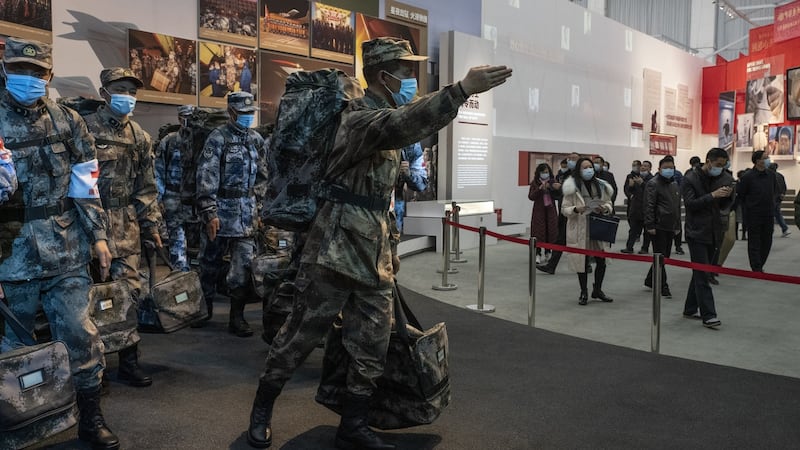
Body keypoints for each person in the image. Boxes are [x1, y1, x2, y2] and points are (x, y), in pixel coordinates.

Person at [246, 37, 512, 449]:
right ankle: (262, 408)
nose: (410, 78)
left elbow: (387, 174)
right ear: (382, 74)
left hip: (373, 249)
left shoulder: (382, 114)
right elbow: (402, 124)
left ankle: (353, 423)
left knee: (372, 341)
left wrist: (389, 248)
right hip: (334, 246)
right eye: (405, 72)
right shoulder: (358, 118)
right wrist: (459, 91)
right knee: (301, 334)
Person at [0, 37, 119, 448]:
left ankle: (90, 418)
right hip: (9, 257)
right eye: (20, 70)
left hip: (66, 249)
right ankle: (16, 426)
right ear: (4, 69)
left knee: (80, 335)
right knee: (12, 347)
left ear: (49, 76)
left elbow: (85, 185)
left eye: (37, 73)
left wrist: (100, 237)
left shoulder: (68, 121)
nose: (28, 78)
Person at [83, 67, 162, 388]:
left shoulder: (140, 137)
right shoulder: (85, 130)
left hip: (127, 226)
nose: (127, 96)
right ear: (104, 93)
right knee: (92, 299)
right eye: (120, 89)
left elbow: (146, 187)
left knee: (129, 293)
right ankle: (93, 368)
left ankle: (129, 361)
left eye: (132, 91)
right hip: (90, 226)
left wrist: (151, 226)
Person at [196, 91, 268, 336]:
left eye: (250, 113)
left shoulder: (256, 140)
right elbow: (207, 175)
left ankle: (236, 317)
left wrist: (259, 207)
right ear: (231, 113)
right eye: (244, 113)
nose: (248, 118)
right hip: (221, 212)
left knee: (243, 267)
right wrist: (209, 211)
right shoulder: (218, 138)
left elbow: (263, 176)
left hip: (247, 215)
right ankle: (203, 309)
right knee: (209, 262)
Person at [681, 147, 734, 329]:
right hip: (696, 232)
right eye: (718, 165)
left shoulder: (723, 178)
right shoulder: (689, 179)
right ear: (708, 161)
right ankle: (709, 315)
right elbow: (691, 204)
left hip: (715, 231)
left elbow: (724, 205)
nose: (721, 168)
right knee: (703, 274)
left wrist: (728, 195)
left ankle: (689, 308)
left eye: (723, 165)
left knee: (700, 271)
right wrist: (712, 195)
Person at [560, 157, 614, 305]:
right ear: (578, 170)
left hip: (598, 226)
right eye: (584, 167)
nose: (588, 170)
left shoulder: (602, 185)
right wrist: (576, 209)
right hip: (581, 229)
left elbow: (609, 203)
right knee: (582, 262)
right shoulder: (571, 187)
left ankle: (597, 290)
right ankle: (583, 292)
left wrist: (605, 208)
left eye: (590, 167)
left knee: (601, 261)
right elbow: (564, 209)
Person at [155, 105, 196, 271]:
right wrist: (159, 198)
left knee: (199, 242)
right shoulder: (170, 141)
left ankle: (198, 278)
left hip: (195, 199)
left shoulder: (203, 140)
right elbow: (158, 170)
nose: (189, 121)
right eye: (186, 117)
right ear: (179, 118)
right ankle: (181, 276)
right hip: (173, 198)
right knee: (177, 239)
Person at [643, 157, 681, 297]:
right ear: (659, 169)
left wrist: (677, 225)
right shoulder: (653, 183)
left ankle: (650, 280)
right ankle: (663, 285)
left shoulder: (674, 184)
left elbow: (676, 206)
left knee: (664, 256)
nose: (669, 170)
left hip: (670, 225)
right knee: (660, 256)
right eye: (666, 167)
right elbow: (649, 205)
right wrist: (650, 224)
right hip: (658, 226)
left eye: (671, 167)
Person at [536, 152, 580, 274]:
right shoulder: (563, 174)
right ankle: (551, 266)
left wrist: (560, 187)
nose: (570, 161)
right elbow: (560, 194)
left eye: (573, 159)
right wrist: (553, 188)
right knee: (559, 239)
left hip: (576, 213)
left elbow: (575, 191)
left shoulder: (579, 175)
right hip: (564, 210)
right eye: (569, 159)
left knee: (578, 242)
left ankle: (585, 265)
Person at [736, 150, 779, 272]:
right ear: (757, 161)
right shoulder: (748, 177)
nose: (767, 160)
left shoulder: (771, 175)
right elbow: (741, 195)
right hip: (753, 214)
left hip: (768, 213)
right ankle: (756, 267)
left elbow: (774, 191)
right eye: (765, 158)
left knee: (767, 241)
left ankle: (761, 263)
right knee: (754, 241)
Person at [528, 162, 560, 263]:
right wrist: (539, 189)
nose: (545, 174)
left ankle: (548, 252)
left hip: (550, 211)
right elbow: (531, 196)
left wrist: (553, 188)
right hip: (539, 211)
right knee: (538, 231)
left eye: (546, 172)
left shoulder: (553, 182)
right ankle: (538, 253)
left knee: (550, 231)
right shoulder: (535, 182)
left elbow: (558, 196)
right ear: (539, 173)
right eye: (543, 172)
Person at [621, 160, 653, 254]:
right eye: (642, 166)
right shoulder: (635, 177)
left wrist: (642, 183)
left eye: (646, 166)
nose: (643, 167)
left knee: (646, 231)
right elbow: (631, 191)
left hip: (647, 209)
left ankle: (645, 248)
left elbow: (651, 191)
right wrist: (631, 187)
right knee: (633, 230)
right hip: (635, 208)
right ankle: (629, 247)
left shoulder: (652, 179)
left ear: (650, 168)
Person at [768, 162, 790, 238]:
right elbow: (784, 186)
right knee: (777, 214)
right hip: (779, 198)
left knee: (771, 214)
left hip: (771, 198)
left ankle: (771, 230)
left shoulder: (769, 176)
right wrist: (783, 194)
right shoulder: (780, 176)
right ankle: (785, 229)